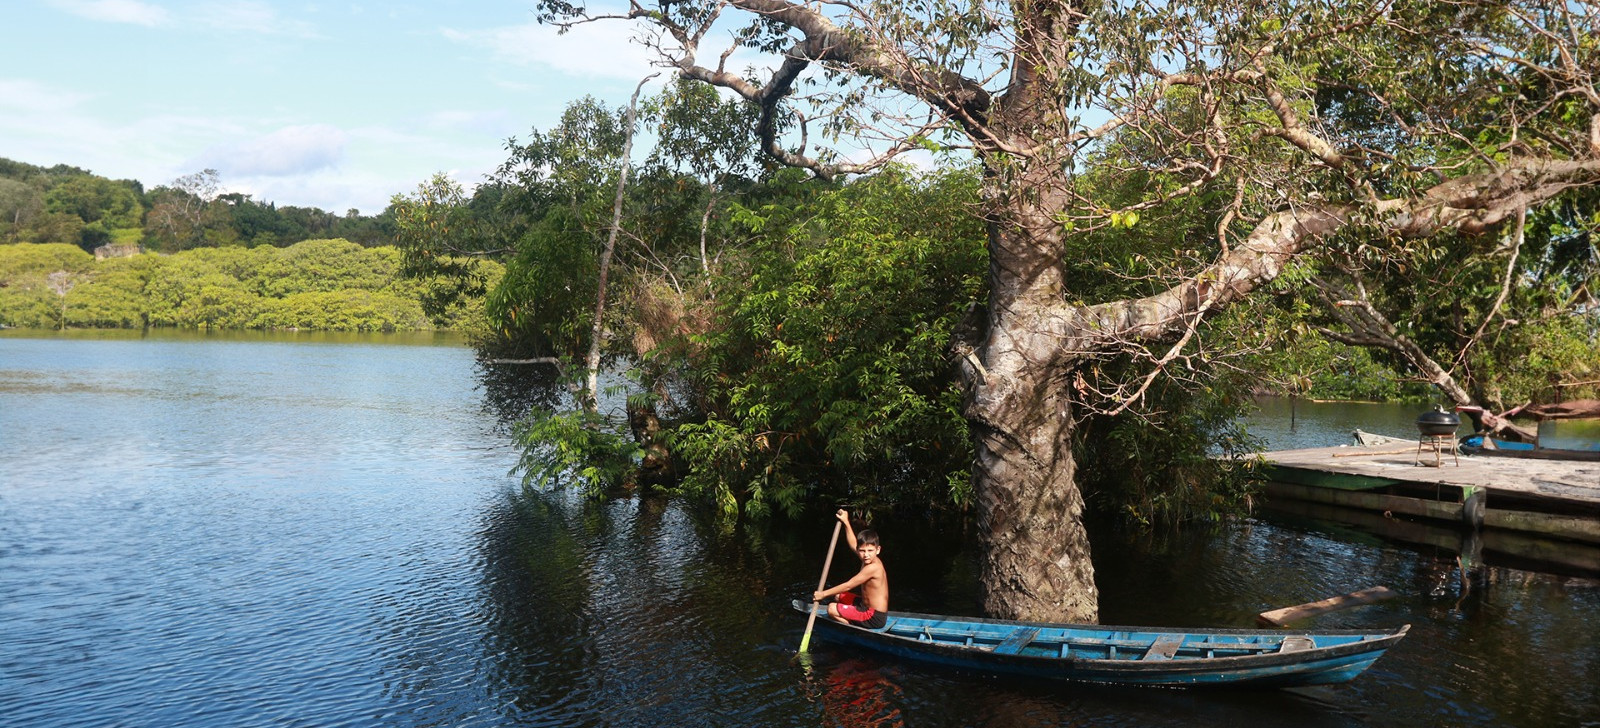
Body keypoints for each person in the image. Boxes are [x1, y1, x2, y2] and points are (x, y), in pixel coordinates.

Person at [813, 509, 889, 629]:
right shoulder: (866, 558)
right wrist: (846, 522)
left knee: (831, 608)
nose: (866, 555)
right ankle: (852, 617)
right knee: (838, 596)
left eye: (870, 551)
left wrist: (823, 594)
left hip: (874, 617)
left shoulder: (874, 567)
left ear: (878, 550)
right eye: (862, 551)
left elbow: (849, 585)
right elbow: (854, 543)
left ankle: (853, 629)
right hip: (864, 605)